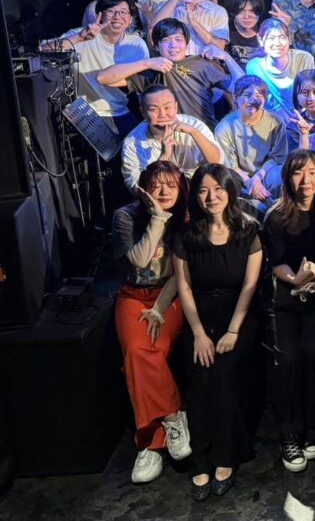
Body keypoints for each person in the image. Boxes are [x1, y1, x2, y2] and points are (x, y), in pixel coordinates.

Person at [172, 164, 263, 499]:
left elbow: (250, 286)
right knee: (200, 377)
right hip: (200, 315)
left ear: (230, 191)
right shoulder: (186, 235)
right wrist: (198, 332)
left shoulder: (249, 231)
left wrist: (233, 330)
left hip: (238, 315)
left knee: (223, 374)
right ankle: (201, 458)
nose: (211, 197)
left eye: (218, 189)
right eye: (203, 191)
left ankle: (226, 455)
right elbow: (184, 287)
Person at [110, 161, 192, 484]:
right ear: (144, 188)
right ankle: (171, 419)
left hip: (169, 296)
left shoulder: (186, 220)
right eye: (156, 185)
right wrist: (157, 218)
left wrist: (159, 309)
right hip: (133, 295)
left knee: (149, 351)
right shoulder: (126, 217)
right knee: (136, 350)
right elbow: (140, 260)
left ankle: (148, 441)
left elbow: (179, 276)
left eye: (171, 185)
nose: (164, 191)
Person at [263, 150, 315, 473]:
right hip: (287, 300)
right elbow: (277, 262)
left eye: (312, 172)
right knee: (289, 362)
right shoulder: (275, 217)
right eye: (298, 172)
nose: (305, 180)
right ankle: (289, 433)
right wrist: (297, 280)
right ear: (287, 178)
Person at [97, 18, 243, 129]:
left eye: (178, 39)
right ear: (156, 46)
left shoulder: (203, 63)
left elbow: (243, 87)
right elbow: (103, 78)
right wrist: (145, 63)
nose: (173, 45)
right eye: (166, 40)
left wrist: (227, 57)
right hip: (166, 137)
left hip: (203, 133)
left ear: (186, 43)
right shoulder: (151, 70)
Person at [43, 0, 149, 137]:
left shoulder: (137, 45)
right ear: (100, 15)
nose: (117, 17)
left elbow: (140, 85)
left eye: (123, 12)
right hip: (85, 111)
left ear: (130, 19)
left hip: (121, 109)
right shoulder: (83, 35)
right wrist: (79, 37)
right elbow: (43, 50)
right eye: (111, 11)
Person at [120, 85, 225, 191]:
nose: (162, 114)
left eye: (167, 107)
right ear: (143, 112)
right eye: (153, 109)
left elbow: (217, 162)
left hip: (197, 189)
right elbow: (136, 187)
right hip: (161, 194)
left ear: (176, 107)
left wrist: (193, 132)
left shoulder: (194, 125)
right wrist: (163, 157)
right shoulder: (132, 142)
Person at [214, 76, 288, 209]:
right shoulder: (224, 128)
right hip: (241, 178)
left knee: (279, 175)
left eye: (258, 95)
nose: (252, 100)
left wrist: (258, 177)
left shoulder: (276, 122)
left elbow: (277, 157)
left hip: (267, 173)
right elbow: (231, 166)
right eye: (247, 95)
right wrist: (249, 181)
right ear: (235, 97)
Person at [245, 19, 315, 115]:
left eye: (282, 37)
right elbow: (268, 103)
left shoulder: (304, 59)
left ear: (289, 39)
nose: (277, 43)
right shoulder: (255, 67)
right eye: (271, 38)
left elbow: (312, 95)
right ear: (260, 40)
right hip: (275, 117)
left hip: (307, 114)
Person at [223, 0, 265, 66]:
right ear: (234, 12)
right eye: (241, 11)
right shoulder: (225, 29)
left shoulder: (266, 31)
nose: (246, 16)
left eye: (252, 11)